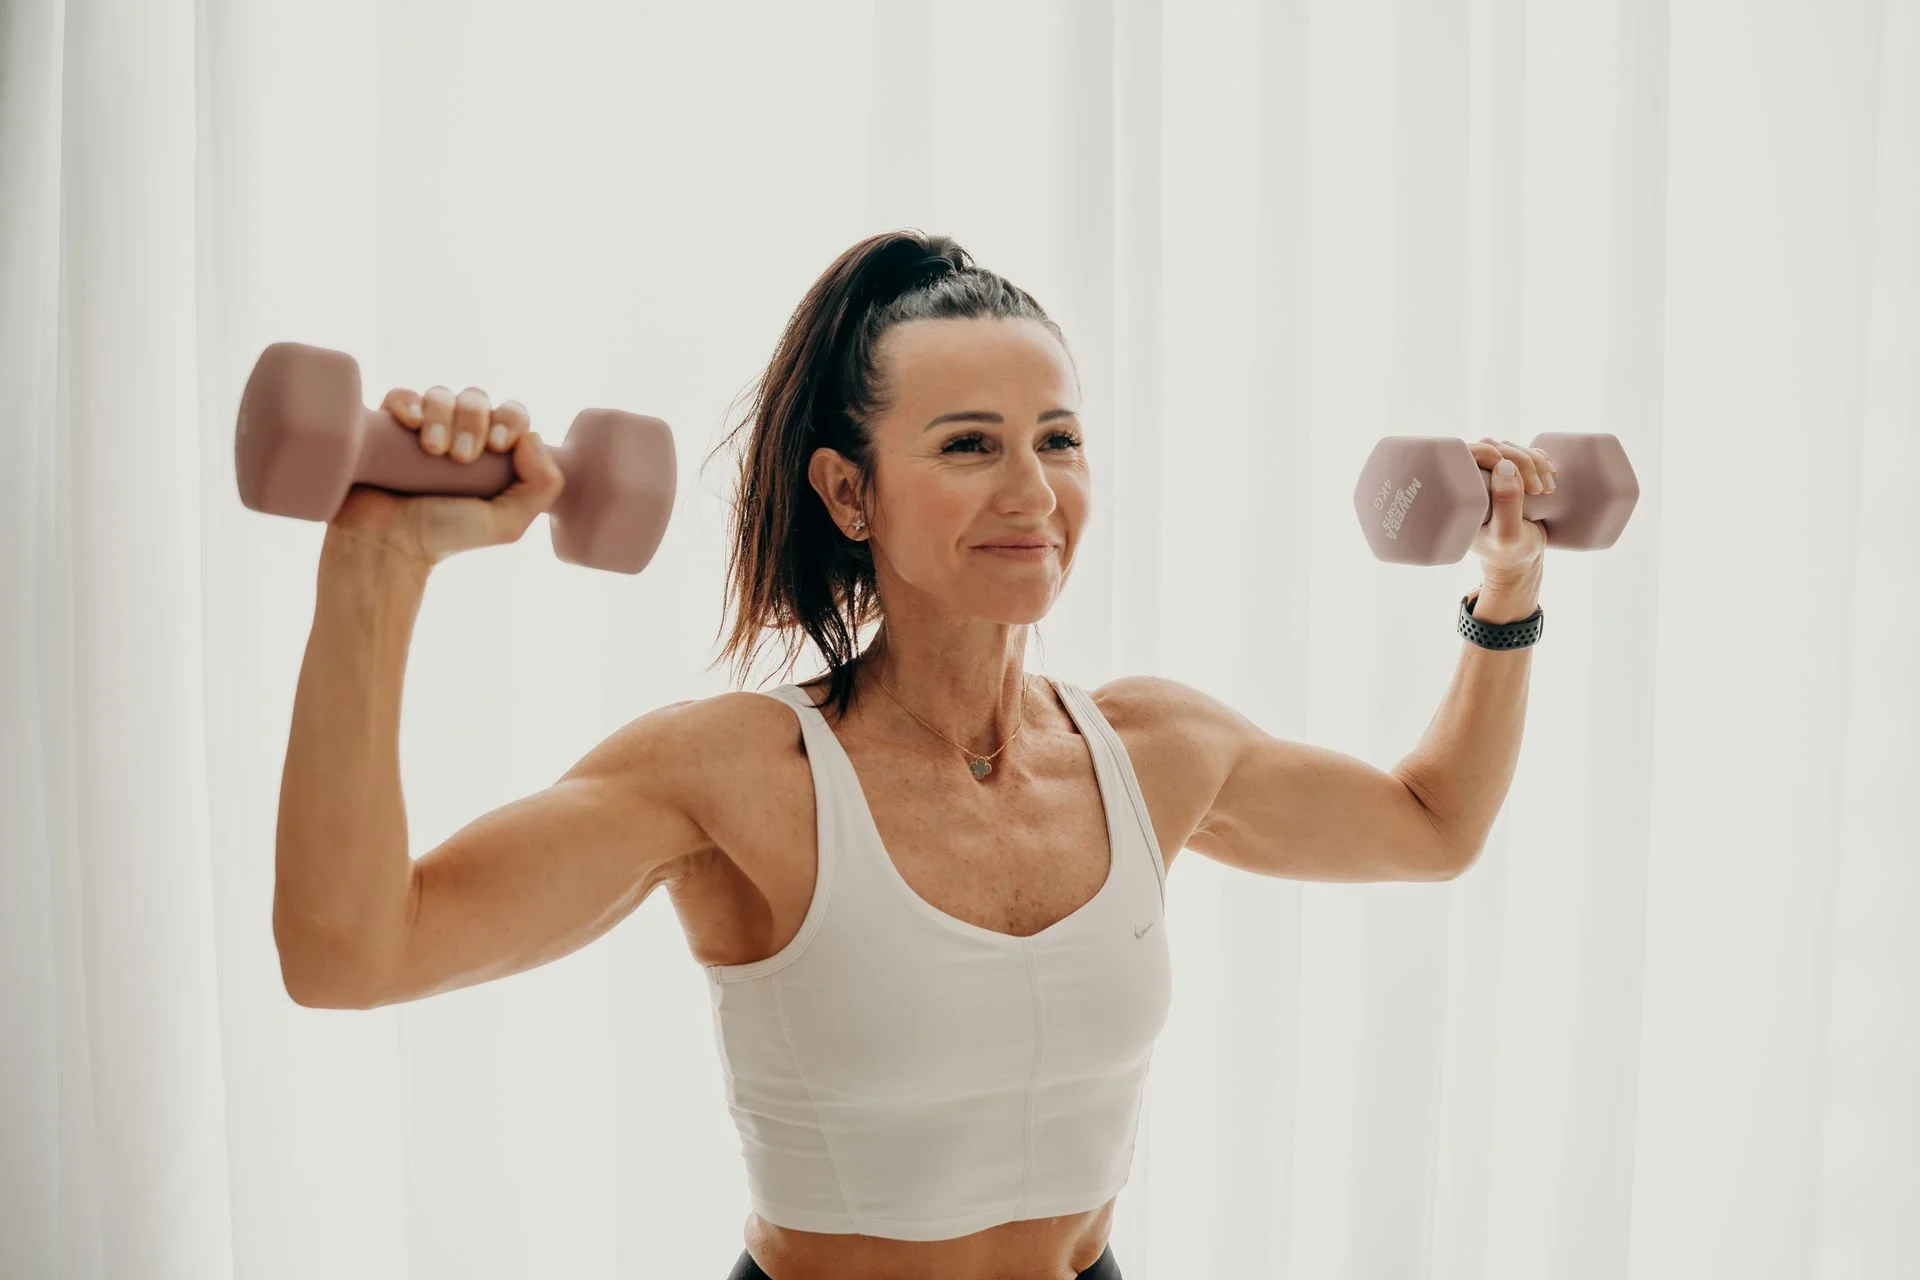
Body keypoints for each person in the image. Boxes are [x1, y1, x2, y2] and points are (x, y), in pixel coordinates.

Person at [274, 231, 1551, 1280]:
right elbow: (350, 950)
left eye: (1057, 437)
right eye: (968, 443)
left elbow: (1431, 823)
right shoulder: (735, 776)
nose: (1035, 492)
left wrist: (1507, 586)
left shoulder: (1155, 747)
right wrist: (378, 561)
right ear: (848, 493)